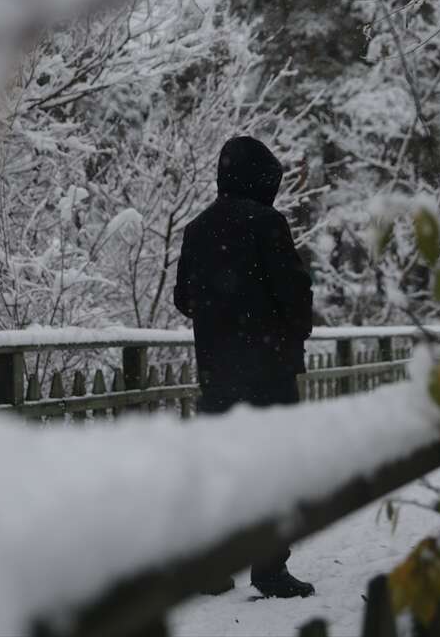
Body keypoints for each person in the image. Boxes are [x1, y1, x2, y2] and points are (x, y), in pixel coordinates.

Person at [173, 135, 315, 599]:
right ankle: (269, 568)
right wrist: (289, 331)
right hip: (268, 369)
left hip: (218, 370)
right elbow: (293, 291)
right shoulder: (267, 223)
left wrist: (221, 316)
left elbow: (182, 299)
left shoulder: (197, 229)